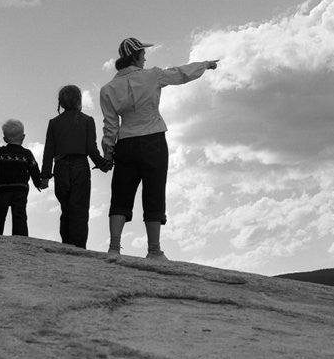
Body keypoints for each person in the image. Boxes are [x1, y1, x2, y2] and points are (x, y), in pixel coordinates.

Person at [100, 36, 218, 260]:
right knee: (154, 192)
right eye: (143, 53)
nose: (145, 56)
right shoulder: (152, 76)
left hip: (126, 143)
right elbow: (180, 73)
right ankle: (154, 250)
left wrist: (108, 153)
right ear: (135, 56)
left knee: (121, 193)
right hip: (153, 140)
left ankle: (114, 248)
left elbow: (110, 125)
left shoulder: (108, 89)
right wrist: (205, 64)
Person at [40, 85, 110, 249]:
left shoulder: (54, 123)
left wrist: (45, 177)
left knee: (66, 210)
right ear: (79, 100)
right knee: (79, 211)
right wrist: (103, 165)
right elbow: (91, 149)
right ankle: (79, 248)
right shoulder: (87, 121)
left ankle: (67, 246)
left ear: (61, 103)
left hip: (61, 168)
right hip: (80, 167)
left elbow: (48, 151)